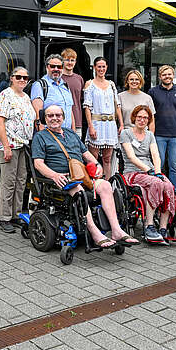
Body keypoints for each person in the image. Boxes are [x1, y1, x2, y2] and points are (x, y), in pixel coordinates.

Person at [31, 105, 138, 247]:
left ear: (63, 118)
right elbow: (38, 164)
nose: (55, 118)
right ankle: (95, 232)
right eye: (50, 116)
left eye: (58, 115)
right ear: (45, 118)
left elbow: (86, 154)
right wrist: (54, 175)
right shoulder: (40, 137)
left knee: (105, 185)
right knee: (78, 190)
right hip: (61, 180)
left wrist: (97, 165)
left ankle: (116, 230)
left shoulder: (71, 134)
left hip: (82, 176)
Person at [120, 105, 175, 244]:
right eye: (139, 117)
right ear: (134, 118)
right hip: (132, 171)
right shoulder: (126, 133)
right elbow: (131, 157)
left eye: (145, 118)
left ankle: (163, 228)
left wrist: (157, 172)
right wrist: (148, 171)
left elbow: (155, 155)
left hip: (150, 171)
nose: (142, 120)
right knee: (156, 183)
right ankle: (149, 225)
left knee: (168, 186)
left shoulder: (150, 135)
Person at [0, 66, 36, 233]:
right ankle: (4, 218)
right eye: (19, 77)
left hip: (23, 145)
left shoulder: (25, 97)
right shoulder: (5, 95)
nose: (22, 80)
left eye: (26, 78)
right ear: (11, 78)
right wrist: (6, 147)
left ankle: (16, 214)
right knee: (8, 182)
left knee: (20, 182)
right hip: (9, 145)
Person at [148, 65, 176, 191]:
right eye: (164, 75)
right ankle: (159, 191)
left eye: (169, 74)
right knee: (158, 166)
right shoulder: (153, 92)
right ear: (160, 76)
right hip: (158, 135)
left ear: (173, 75)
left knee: (174, 166)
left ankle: (174, 192)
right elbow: (150, 114)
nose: (167, 77)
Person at [83, 57, 123, 177]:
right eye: (99, 66)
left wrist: (120, 123)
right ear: (94, 67)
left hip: (110, 124)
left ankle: (108, 184)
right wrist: (90, 126)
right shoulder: (90, 84)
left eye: (103, 66)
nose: (101, 69)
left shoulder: (111, 84)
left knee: (107, 158)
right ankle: (94, 185)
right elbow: (87, 107)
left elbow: (117, 105)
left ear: (106, 67)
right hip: (96, 123)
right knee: (93, 158)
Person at [30, 54, 75, 131]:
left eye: (59, 67)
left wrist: (73, 132)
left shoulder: (65, 86)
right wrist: (44, 137)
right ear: (47, 67)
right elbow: (38, 117)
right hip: (50, 135)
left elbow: (70, 110)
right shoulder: (39, 85)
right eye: (53, 66)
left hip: (67, 135)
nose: (56, 69)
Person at [61, 48, 85, 138]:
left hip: (77, 121)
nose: (70, 63)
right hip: (61, 122)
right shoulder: (58, 79)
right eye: (67, 60)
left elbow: (81, 100)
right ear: (62, 61)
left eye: (72, 60)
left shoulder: (79, 79)